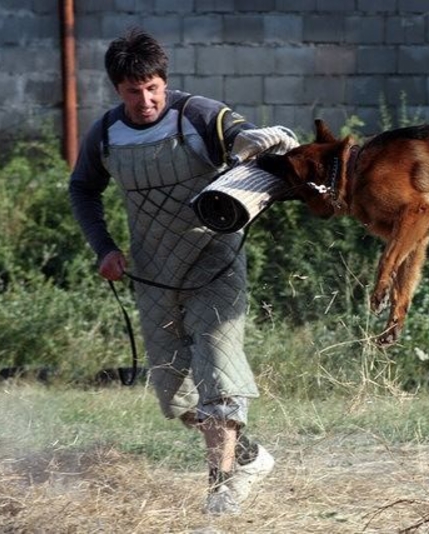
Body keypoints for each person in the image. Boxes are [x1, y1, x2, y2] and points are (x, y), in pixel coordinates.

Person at [69, 28, 281, 515]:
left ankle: (221, 492)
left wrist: (253, 142)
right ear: (116, 89)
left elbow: (242, 138)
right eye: (132, 90)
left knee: (218, 372)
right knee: (176, 396)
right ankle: (249, 457)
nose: (144, 100)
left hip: (215, 264)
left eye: (152, 88)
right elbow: (82, 189)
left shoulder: (201, 115)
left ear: (165, 81)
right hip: (151, 274)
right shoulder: (105, 132)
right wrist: (104, 248)